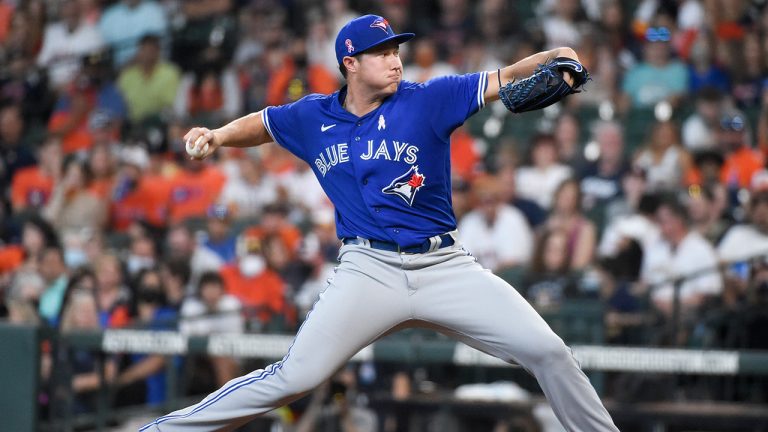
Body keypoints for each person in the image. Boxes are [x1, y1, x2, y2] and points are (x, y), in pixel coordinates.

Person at [143, 14, 617, 431]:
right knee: (296, 377)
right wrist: (219, 135)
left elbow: (506, 76)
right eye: (381, 53)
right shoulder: (313, 116)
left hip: (444, 265)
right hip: (367, 269)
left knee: (549, 352)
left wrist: (560, 54)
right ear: (350, 62)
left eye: (396, 50)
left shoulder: (429, 99)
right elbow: (264, 124)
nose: (395, 61)